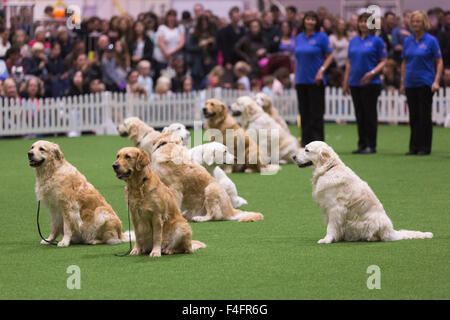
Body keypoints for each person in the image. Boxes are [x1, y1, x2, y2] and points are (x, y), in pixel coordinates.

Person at [342, 12, 387, 154]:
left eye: (366, 21)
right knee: (359, 114)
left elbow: (384, 60)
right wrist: (346, 81)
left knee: (369, 114)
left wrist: (373, 72)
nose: (363, 24)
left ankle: (371, 144)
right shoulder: (353, 41)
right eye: (361, 21)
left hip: (371, 82)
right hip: (355, 82)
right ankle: (361, 143)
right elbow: (349, 63)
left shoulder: (377, 41)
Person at [400, 10, 443, 156]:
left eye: (418, 21)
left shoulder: (431, 40)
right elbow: (404, 62)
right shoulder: (407, 41)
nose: (415, 24)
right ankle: (414, 147)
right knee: (413, 116)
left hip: (425, 82)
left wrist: (436, 80)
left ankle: (425, 147)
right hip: (410, 82)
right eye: (413, 21)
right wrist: (402, 82)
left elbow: (439, 61)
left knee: (424, 115)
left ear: (424, 23)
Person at [294, 11, 333, 147]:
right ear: (304, 21)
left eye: (313, 19)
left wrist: (321, 71)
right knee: (304, 113)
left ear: (316, 22)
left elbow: (329, 56)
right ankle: (305, 143)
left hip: (315, 80)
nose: (310, 22)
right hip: (301, 80)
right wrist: (295, 77)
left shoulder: (322, 37)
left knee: (316, 114)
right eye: (308, 19)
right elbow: (297, 59)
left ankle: (318, 144)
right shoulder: (299, 37)